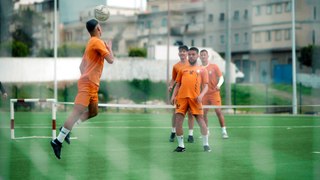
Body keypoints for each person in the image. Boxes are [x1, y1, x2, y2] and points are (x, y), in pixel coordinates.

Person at [50, 19, 114, 159]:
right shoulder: (97, 42)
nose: (101, 28)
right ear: (98, 28)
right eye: (100, 26)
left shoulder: (91, 43)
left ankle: (65, 130)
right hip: (88, 84)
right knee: (76, 113)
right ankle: (57, 141)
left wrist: (88, 76)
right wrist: (110, 48)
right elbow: (111, 60)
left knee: (93, 112)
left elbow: (81, 67)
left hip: (92, 85)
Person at [171, 47, 211, 152]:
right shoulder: (182, 69)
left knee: (201, 120)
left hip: (195, 99)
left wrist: (201, 95)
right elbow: (178, 84)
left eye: (193, 54)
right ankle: (181, 146)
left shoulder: (202, 69)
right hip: (182, 98)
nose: (191, 56)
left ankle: (206, 144)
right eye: (190, 54)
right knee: (178, 121)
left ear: (197, 56)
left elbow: (206, 86)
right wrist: (173, 96)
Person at [168, 45, 195, 143]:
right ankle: (173, 131)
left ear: (187, 53)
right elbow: (174, 79)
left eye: (184, 51)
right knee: (176, 113)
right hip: (180, 94)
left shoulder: (192, 64)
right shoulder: (176, 66)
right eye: (180, 51)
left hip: (191, 93)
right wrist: (171, 86)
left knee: (191, 113)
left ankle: (191, 134)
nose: (182, 53)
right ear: (178, 53)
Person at [199, 49, 228, 139]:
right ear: (199, 57)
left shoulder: (214, 66)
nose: (203, 56)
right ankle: (206, 131)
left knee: (218, 111)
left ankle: (224, 131)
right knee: (203, 113)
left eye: (205, 55)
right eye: (202, 55)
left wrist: (218, 85)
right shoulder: (199, 68)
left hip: (214, 93)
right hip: (204, 94)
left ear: (208, 56)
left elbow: (221, 78)